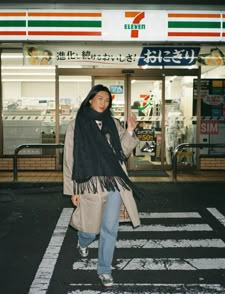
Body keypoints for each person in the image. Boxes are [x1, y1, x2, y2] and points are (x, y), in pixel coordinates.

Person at [63, 84, 141, 287]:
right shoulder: (76, 124)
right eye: (100, 98)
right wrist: (73, 190)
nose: (104, 103)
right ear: (90, 99)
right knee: (90, 229)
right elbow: (70, 159)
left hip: (114, 181)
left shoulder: (113, 124)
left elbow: (123, 151)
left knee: (110, 228)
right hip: (88, 183)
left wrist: (130, 131)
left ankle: (105, 270)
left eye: (107, 100)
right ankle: (83, 240)